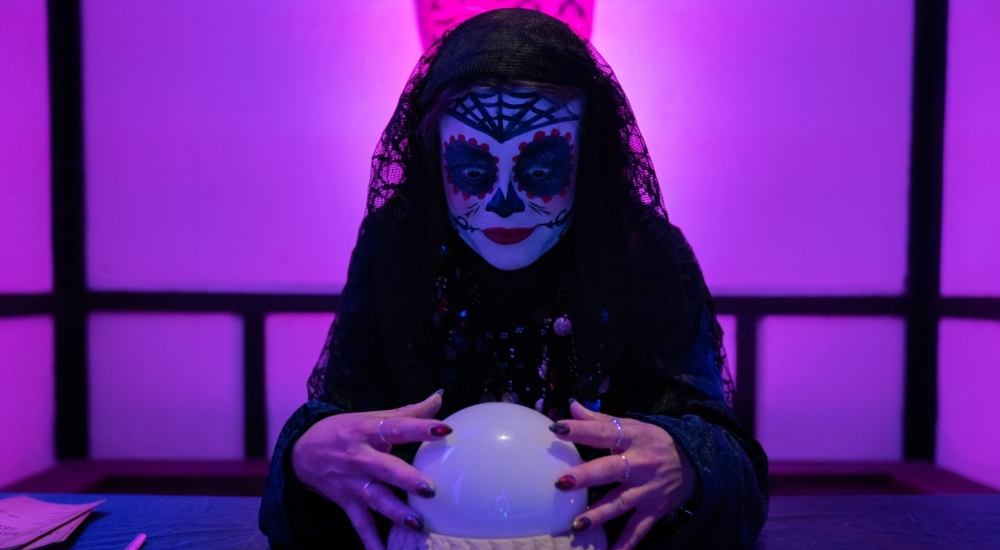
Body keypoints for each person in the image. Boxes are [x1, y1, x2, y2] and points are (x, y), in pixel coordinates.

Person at [259, 8, 768, 550]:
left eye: (540, 168)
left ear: (587, 154)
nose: (502, 205)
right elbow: (342, 419)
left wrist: (689, 461)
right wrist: (306, 453)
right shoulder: (400, 247)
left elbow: (724, 453)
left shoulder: (640, 252)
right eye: (474, 171)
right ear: (436, 159)